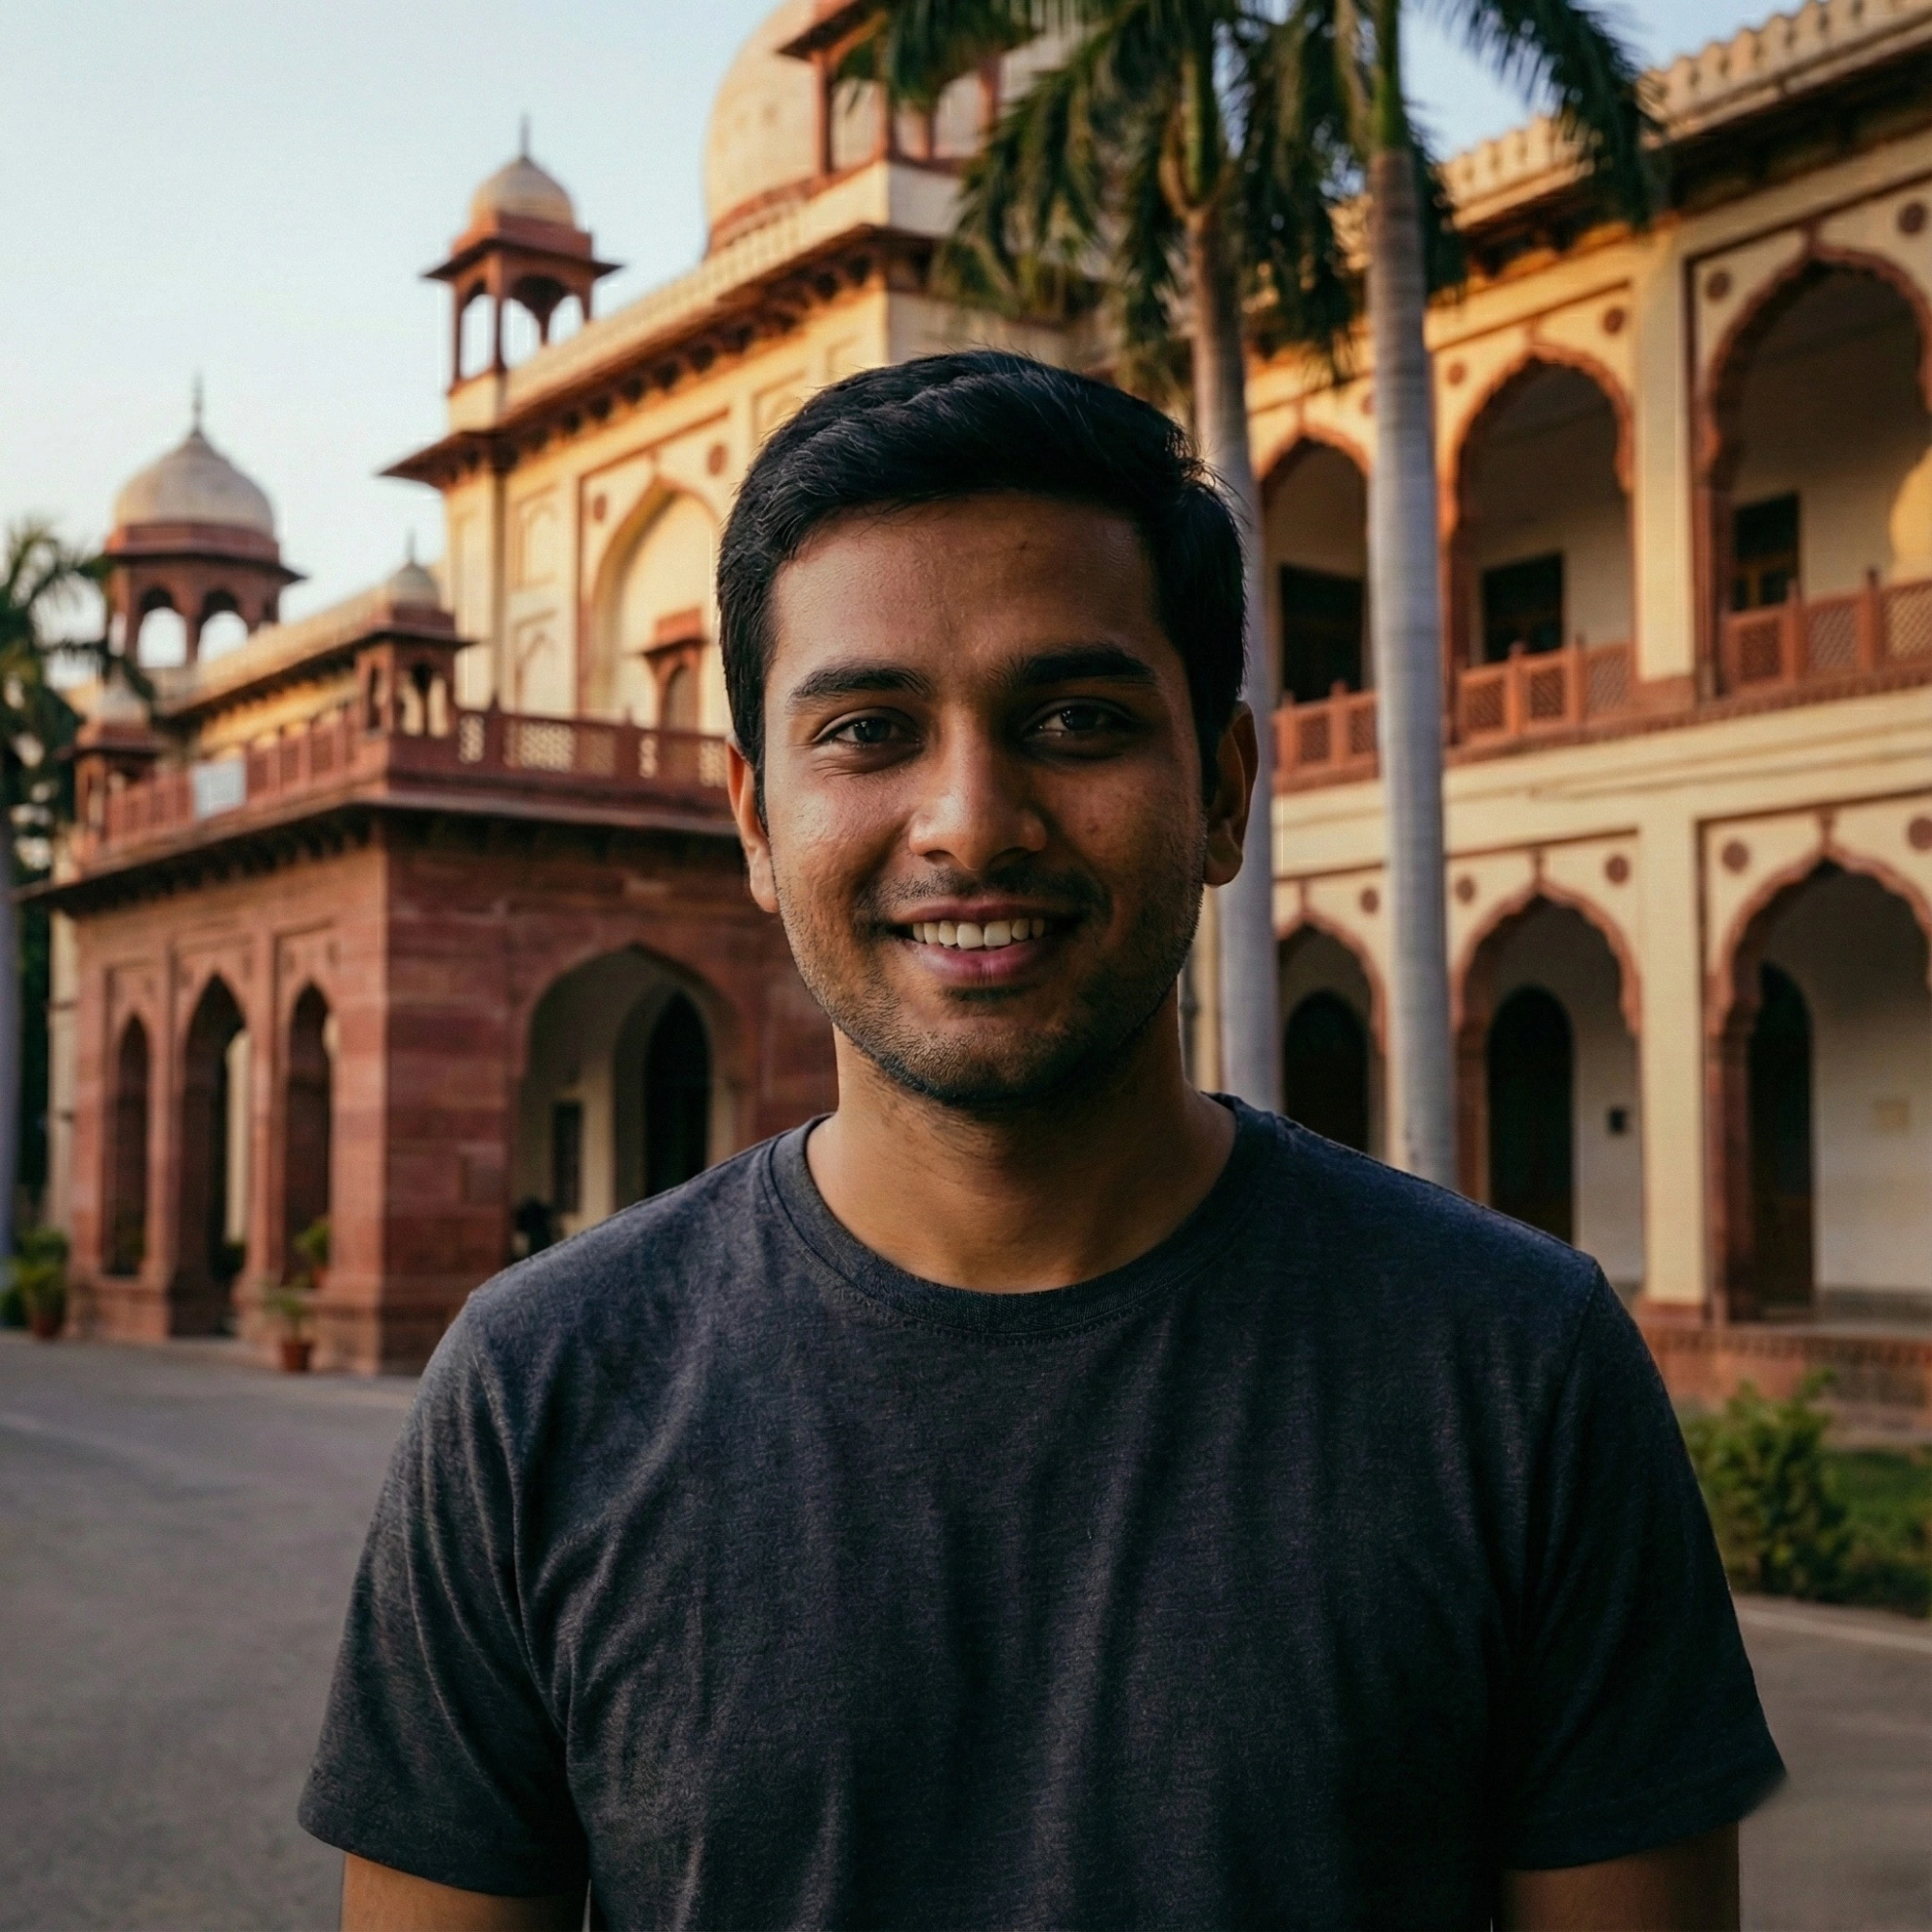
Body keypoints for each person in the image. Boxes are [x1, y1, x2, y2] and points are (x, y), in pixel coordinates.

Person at [300, 352, 1781, 1930]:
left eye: (1076, 719)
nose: (970, 820)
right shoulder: (540, 1393)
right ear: (754, 820)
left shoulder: (1512, 1371)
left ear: (1222, 791)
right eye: (868, 729)